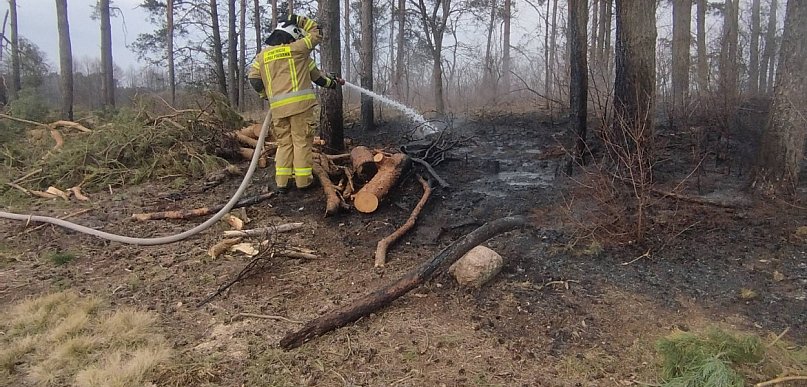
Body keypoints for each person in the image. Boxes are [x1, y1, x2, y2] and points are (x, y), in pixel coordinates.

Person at [248, 14, 344, 193]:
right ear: (293, 36)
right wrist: (298, 19)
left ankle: (282, 183)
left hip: (278, 110)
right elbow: (317, 34)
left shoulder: (262, 56)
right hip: (301, 108)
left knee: (284, 144)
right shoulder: (298, 50)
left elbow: (253, 79)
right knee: (301, 143)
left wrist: (265, 95)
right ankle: (303, 181)